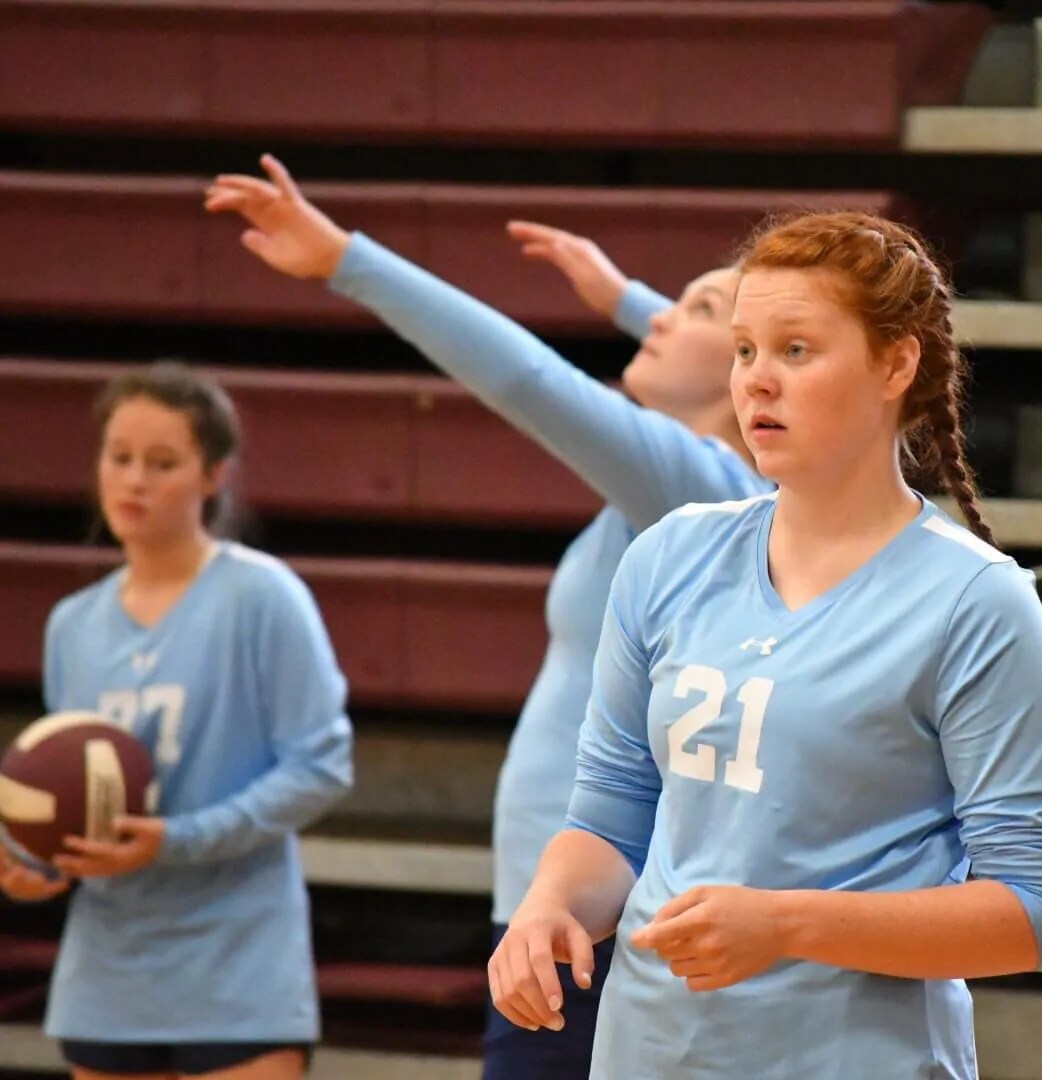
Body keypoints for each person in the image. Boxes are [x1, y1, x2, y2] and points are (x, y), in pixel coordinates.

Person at [204, 155, 768, 1078]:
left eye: (695, 309)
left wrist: (348, 259)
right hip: (559, 913)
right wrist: (624, 297)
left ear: (750, 366)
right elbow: (702, 354)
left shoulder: (692, 486)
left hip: (611, 920)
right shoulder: (680, 482)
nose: (659, 314)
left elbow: (531, 381)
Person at [489, 210, 1042, 1078]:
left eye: (795, 351)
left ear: (896, 363)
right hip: (649, 1053)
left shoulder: (977, 603)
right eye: (743, 351)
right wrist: (551, 904)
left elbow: (1038, 913)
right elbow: (610, 822)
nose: (757, 382)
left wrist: (786, 925)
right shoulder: (668, 557)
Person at [0, 362, 354, 1079]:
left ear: (213, 475)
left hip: (239, 970)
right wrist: (32, 861)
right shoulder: (73, 624)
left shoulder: (263, 598)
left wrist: (175, 840)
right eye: (119, 457)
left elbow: (322, 767)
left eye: (162, 463)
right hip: (110, 972)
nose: (134, 481)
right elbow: (76, 780)